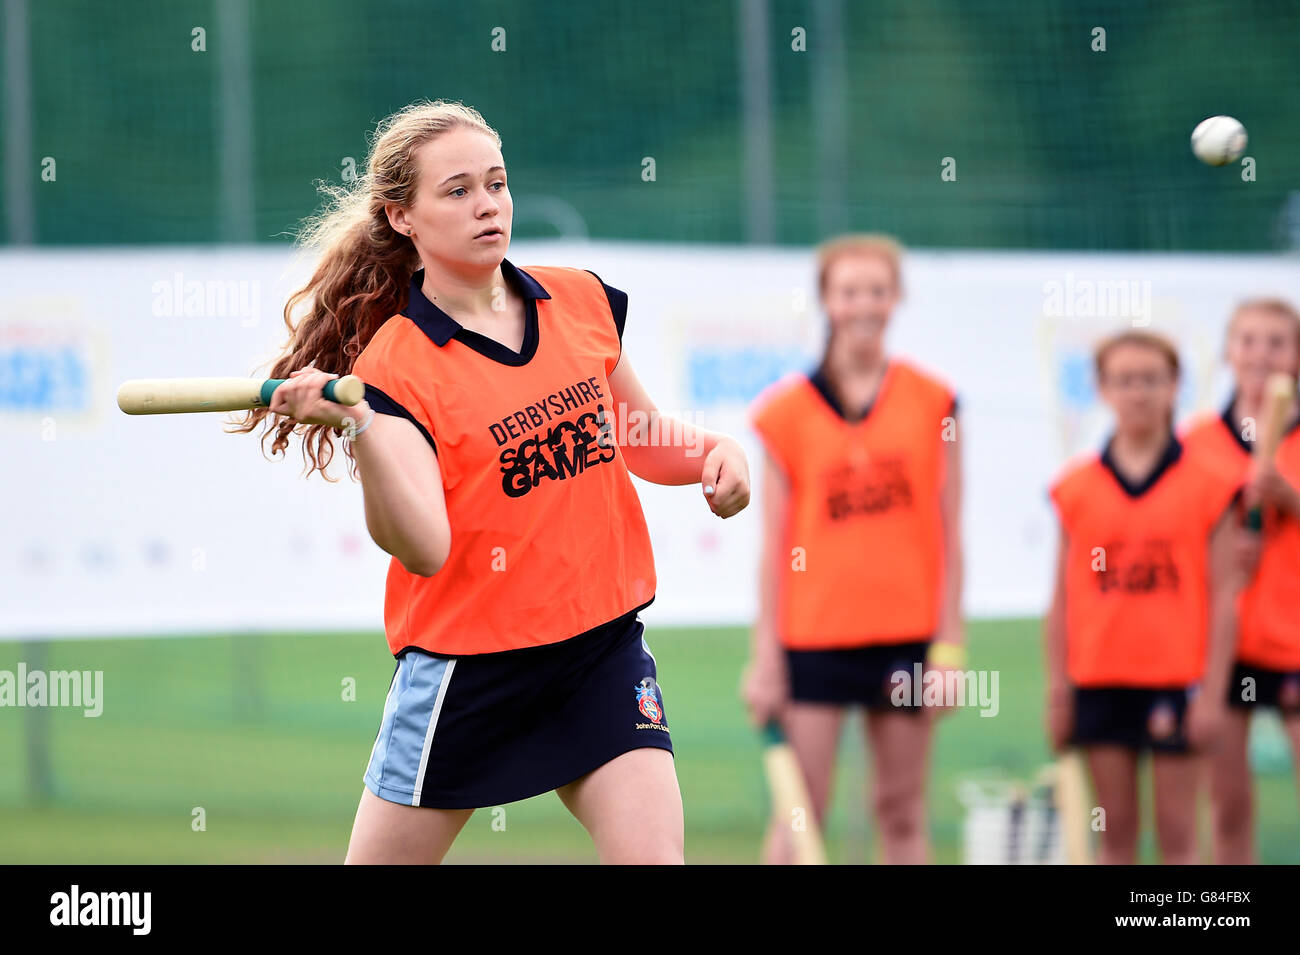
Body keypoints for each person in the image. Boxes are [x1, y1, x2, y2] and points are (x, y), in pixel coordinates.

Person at [230, 99, 751, 864]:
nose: (487, 205)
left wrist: (715, 451)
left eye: (496, 184)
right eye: (458, 190)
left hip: (597, 652)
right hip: (469, 672)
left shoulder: (577, 300)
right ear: (401, 217)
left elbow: (637, 437)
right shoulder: (394, 365)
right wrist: (363, 427)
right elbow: (423, 545)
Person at [743, 234, 963, 864]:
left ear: (895, 299)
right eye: (849, 291)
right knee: (798, 812)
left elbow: (951, 534)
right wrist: (767, 658)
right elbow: (775, 548)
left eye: (877, 290)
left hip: (906, 637)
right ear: (827, 301)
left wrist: (948, 646)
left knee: (900, 811)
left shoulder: (934, 402)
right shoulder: (785, 413)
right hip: (813, 638)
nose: (864, 304)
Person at [1045, 330, 1242, 864]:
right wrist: (1059, 691)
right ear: (1102, 390)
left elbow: (1226, 595)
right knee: (1115, 836)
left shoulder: (1212, 483)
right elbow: (1062, 598)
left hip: (1176, 680)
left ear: (1175, 386)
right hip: (1100, 679)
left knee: (1178, 836)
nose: (1138, 393)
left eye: (1151, 379)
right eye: (1125, 380)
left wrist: (1213, 693)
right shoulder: (1076, 487)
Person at [1180, 298, 1300, 864]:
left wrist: (1290, 502)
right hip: (1223, 650)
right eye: (1248, 340)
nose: (1261, 354)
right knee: (1227, 805)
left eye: (1277, 342)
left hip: (1293, 642)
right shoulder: (1196, 444)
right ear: (1229, 351)